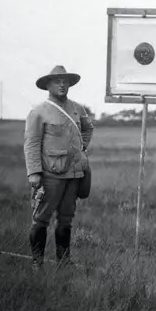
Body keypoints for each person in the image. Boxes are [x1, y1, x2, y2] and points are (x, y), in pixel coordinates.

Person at [23, 65, 94, 270]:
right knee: (41, 219)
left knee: (66, 219)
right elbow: (31, 143)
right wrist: (34, 172)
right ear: (48, 85)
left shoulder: (77, 108)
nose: (62, 85)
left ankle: (64, 262)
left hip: (74, 173)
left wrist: (82, 147)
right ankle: (37, 263)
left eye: (65, 81)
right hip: (50, 175)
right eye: (57, 81)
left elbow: (88, 128)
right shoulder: (38, 112)